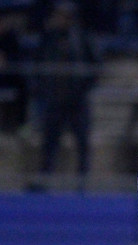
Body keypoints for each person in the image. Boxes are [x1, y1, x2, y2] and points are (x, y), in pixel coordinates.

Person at [36, 1, 96, 178]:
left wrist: (83, 87)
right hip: (55, 97)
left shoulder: (82, 38)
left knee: (82, 141)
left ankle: (83, 180)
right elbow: (39, 63)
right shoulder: (48, 38)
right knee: (50, 141)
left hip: (77, 98)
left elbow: (93, 65)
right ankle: (46, 177)